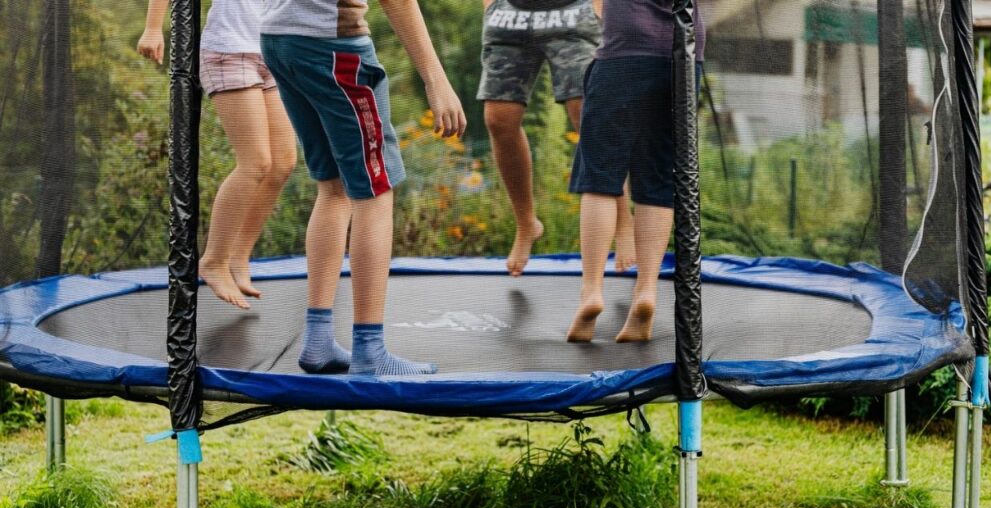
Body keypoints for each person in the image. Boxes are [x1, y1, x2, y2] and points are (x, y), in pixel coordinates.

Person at [260, 0, 467, 375]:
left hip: (279, 38)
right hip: (332, 44)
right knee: (376, 189)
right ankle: (370, 350)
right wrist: (436, 80)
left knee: (334, 186)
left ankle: (318, 338)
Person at [137, 0, 297, 310]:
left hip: (273, 50)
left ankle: (239, 255)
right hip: (230, 49)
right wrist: (153, 28)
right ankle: (214, 260)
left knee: (283, 163)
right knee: (255, 163)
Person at [566, 0, 705, 343]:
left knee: (598, 177)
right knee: (658, 176)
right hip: (685, 53)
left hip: (624, 50)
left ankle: (592, 291)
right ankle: (646, 291)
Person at [479, 0, 637, 276]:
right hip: (510, 14)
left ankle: (624, 221)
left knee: (587, 111)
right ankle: (526, 224)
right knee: (498, 118)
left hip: (572, 10)